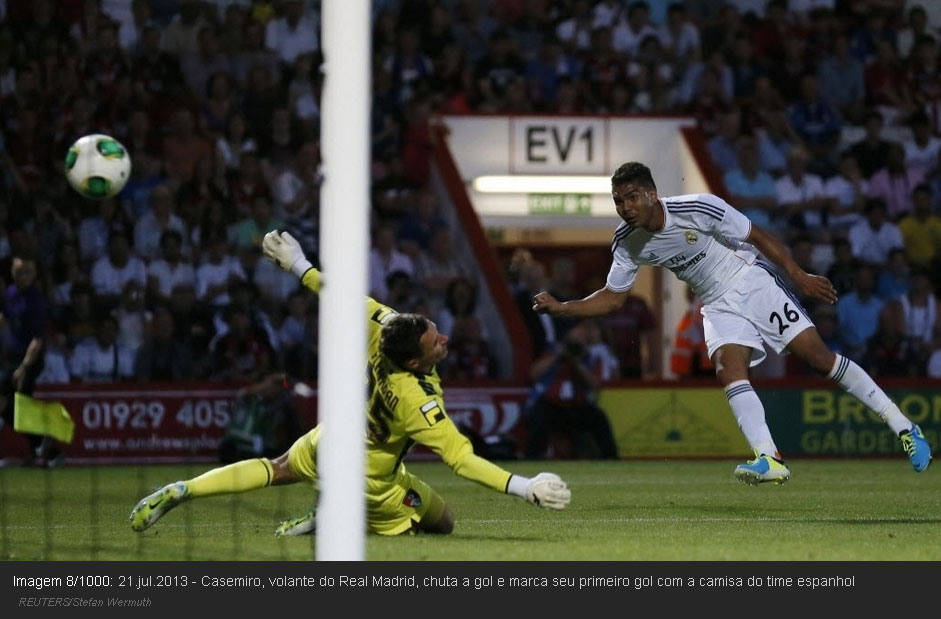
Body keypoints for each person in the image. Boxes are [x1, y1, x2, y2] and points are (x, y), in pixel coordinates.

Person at [130, 231, 571, 535]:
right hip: (370, 480)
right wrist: (524, 487)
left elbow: (338, 294)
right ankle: (338, 514)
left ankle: (186, 488)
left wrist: (298, 264)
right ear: (415, 361)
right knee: (445, 523)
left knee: (276, 467)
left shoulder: (387, 325)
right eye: (436, 342)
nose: (445, 339)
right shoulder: (416, 400)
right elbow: (462, 461)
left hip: (331, 442)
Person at [532, 162, 932, 485]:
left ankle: (904, 428)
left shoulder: (697, 208)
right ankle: (769, 457)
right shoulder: (626, 241)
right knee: (728, 368)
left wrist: (798, 274)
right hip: (716, 302)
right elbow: (613, 297)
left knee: (819, 359)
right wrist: (564, 308)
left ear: (652, 194)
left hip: (750, 279)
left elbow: (756, 234)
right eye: (619, 201)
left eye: (632, 198)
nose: (626, 207)